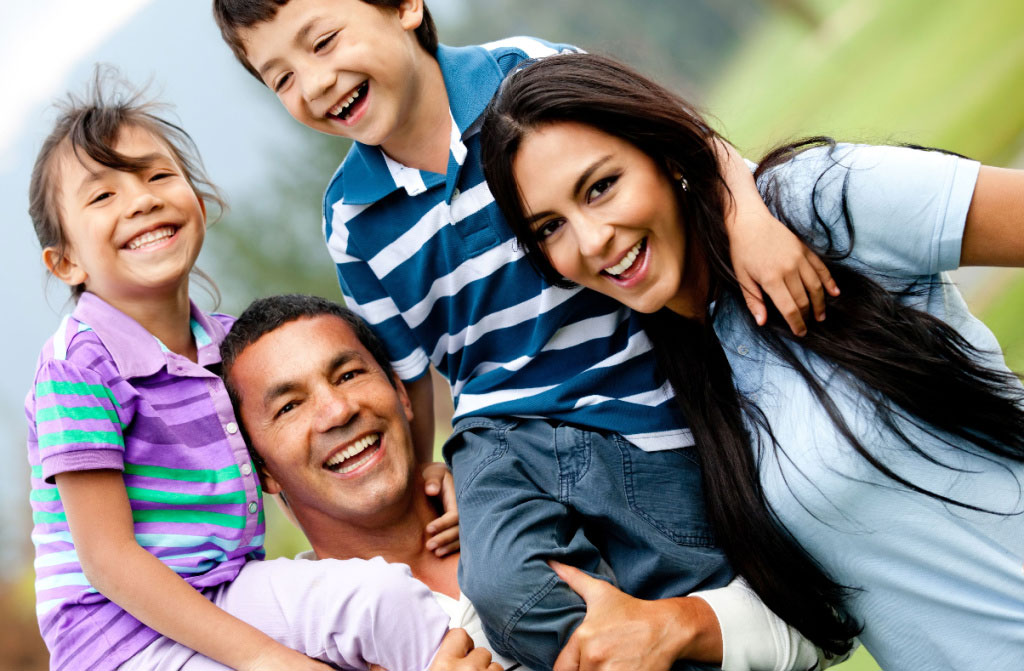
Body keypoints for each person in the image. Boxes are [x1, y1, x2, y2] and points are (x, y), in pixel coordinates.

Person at [211, 2, 852, 667]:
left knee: (704, 574)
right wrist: (432, 461)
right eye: (280, 77)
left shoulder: (528, 74)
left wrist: (747, 216)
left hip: (634, 402)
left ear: (405, 6)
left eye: (322, 43)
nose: (312, 84)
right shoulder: (353, 221)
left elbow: (684, 139)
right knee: (503, 591)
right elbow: (402, 369)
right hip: (499, 435)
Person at [480, 52, 1024, 671]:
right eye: (550, 227)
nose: (591, 240)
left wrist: (742, 192)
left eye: (601, 186)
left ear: (663, 158)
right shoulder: (669, 378)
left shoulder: (808, 204)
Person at [24, 73, 484, 671]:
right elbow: (107, 559)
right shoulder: (77, 367)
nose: (141, 200)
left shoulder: (226, 343)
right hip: (118, 636)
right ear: (66, 262)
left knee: (379, 600)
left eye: (158, 176)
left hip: (226, 591)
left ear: (200, 201)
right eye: (102, 196)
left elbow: (291, 469)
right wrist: (269, 660)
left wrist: (430, 481)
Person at [219, 292, 840, 671]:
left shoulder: (546, 482)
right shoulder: (296, 637)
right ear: (263, 471)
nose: (337, 411)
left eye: (350, 374)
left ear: (403, 398)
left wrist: (677, 629)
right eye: (289, 407)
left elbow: (810, 629)